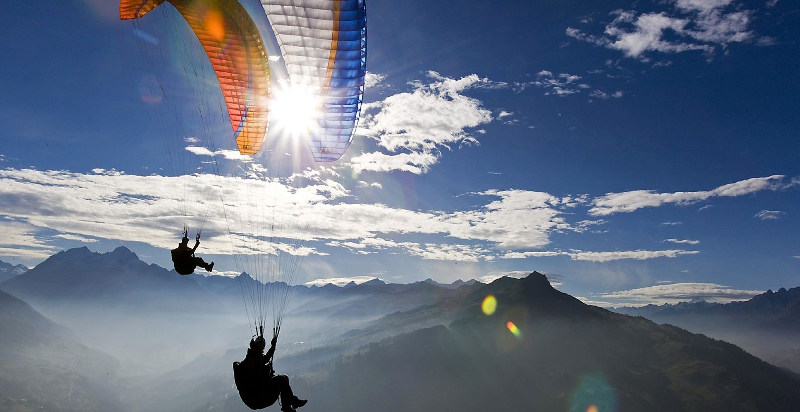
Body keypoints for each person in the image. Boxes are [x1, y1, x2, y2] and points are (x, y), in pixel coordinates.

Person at [233, 327, 307, 411]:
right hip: (257, 398)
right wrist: (273, 347)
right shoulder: (250, 360)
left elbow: (262, 363)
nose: (262, 350)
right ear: (256, 346)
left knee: (284, 378)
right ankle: (290, 405)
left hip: (257, 397)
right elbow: (263, 361)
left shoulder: (254, 358)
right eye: (261, 347)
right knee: (282, 379)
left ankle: (288, 405)